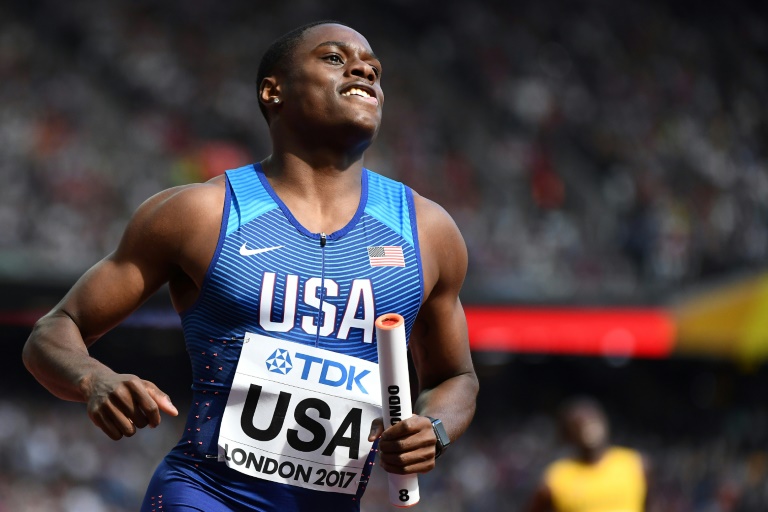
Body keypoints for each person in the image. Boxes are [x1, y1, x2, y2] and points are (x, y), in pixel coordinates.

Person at [22, 20, 478, 512]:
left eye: (374, 68)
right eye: (334, 58)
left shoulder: (428, 232)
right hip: (205, 495)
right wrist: (94, 379)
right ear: (272, 91)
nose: (364, 71)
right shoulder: (199, 214)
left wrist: (434, 428)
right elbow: (54, 330)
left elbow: (456, 377)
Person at [527, 397, 648, 512]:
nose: (589, 427)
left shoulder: (634, 464)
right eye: (579, 424)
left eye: (593, 420)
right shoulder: (558, 477)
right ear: (568, 434)